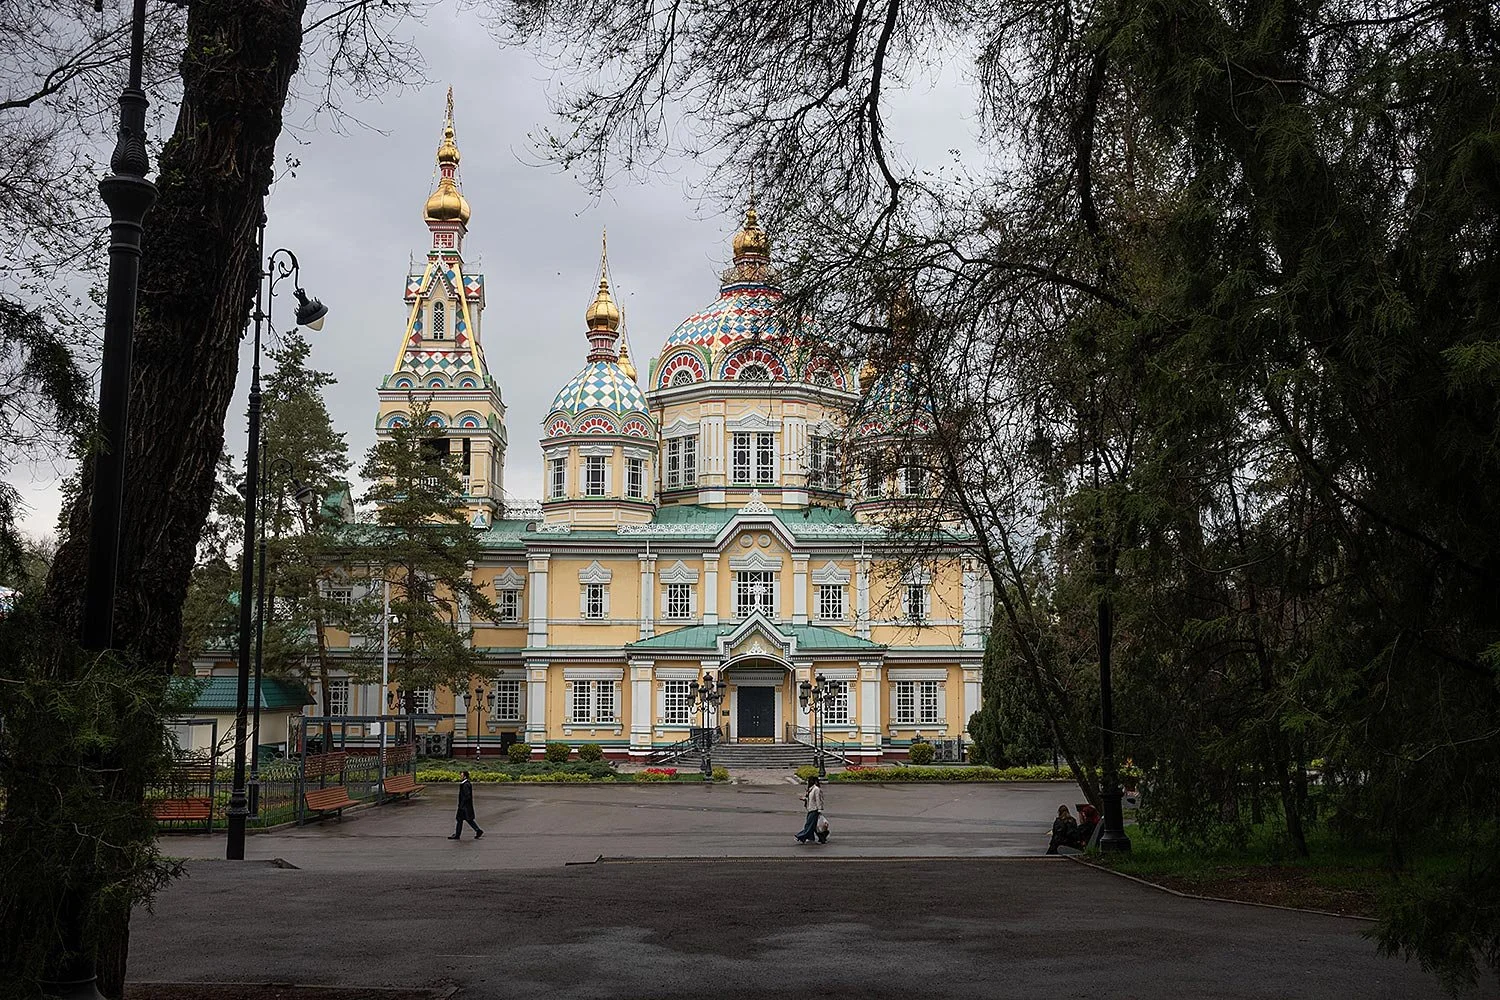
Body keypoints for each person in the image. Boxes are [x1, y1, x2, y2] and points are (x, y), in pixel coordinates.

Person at [448, 770, 483, 840]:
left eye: (461, 775)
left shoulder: (465, 785)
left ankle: (458, 835)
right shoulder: (466, 784)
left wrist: (462, 805)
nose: (460, 776)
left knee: (461, 819)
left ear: (465, 776)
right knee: (466, 819)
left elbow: (467, 796)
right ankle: (477, 830)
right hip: (465, 806)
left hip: (464, 807)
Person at [795, 775, 823, 843]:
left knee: (809, 824)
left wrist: (819, 809)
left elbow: (818, 800)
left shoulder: (816, 789)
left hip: (814, 809)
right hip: (810, 808)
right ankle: (815, 838)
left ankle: (801, 836)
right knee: (813, 825)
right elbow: (810, 799)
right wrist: (804, 799)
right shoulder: (811, 789)